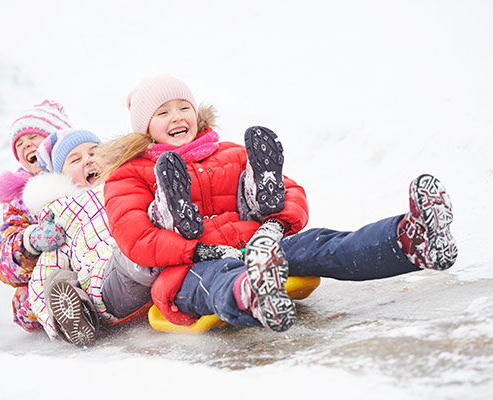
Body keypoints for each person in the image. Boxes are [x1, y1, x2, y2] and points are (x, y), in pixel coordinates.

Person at [97, 75, 458, 333]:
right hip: (186, 267)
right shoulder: (128, 175)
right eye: (163, 113)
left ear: (196, 112)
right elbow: (135, 238)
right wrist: (199, 250)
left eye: (183, 107)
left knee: (320, 244)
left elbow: (294, 190)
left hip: (257, 244)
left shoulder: (231, 153)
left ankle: (411, 240)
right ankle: (252, 290)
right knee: (217, 280)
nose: (177, 117)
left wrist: (274, 225)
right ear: (145, 128)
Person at [23, 129, 160, 346]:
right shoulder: (60, 215)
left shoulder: (128, 182)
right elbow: (42, 278)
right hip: (106, 284)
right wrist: (53, 324)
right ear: (61, 178)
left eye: (95, 152)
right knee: (57, 279)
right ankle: (76, 317)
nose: (88, 160)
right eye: (75, 159)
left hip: (148, 247)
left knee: (152, 224)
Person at [0, 100, 71, 332]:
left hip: (90, 263)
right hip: (48, 275)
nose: (26, 145)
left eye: (34, 137)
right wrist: (29, 242)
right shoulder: (20, 201)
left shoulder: (83, 173)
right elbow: (3, 263)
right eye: (19, 143)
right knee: (30, 299)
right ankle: (70, 314)